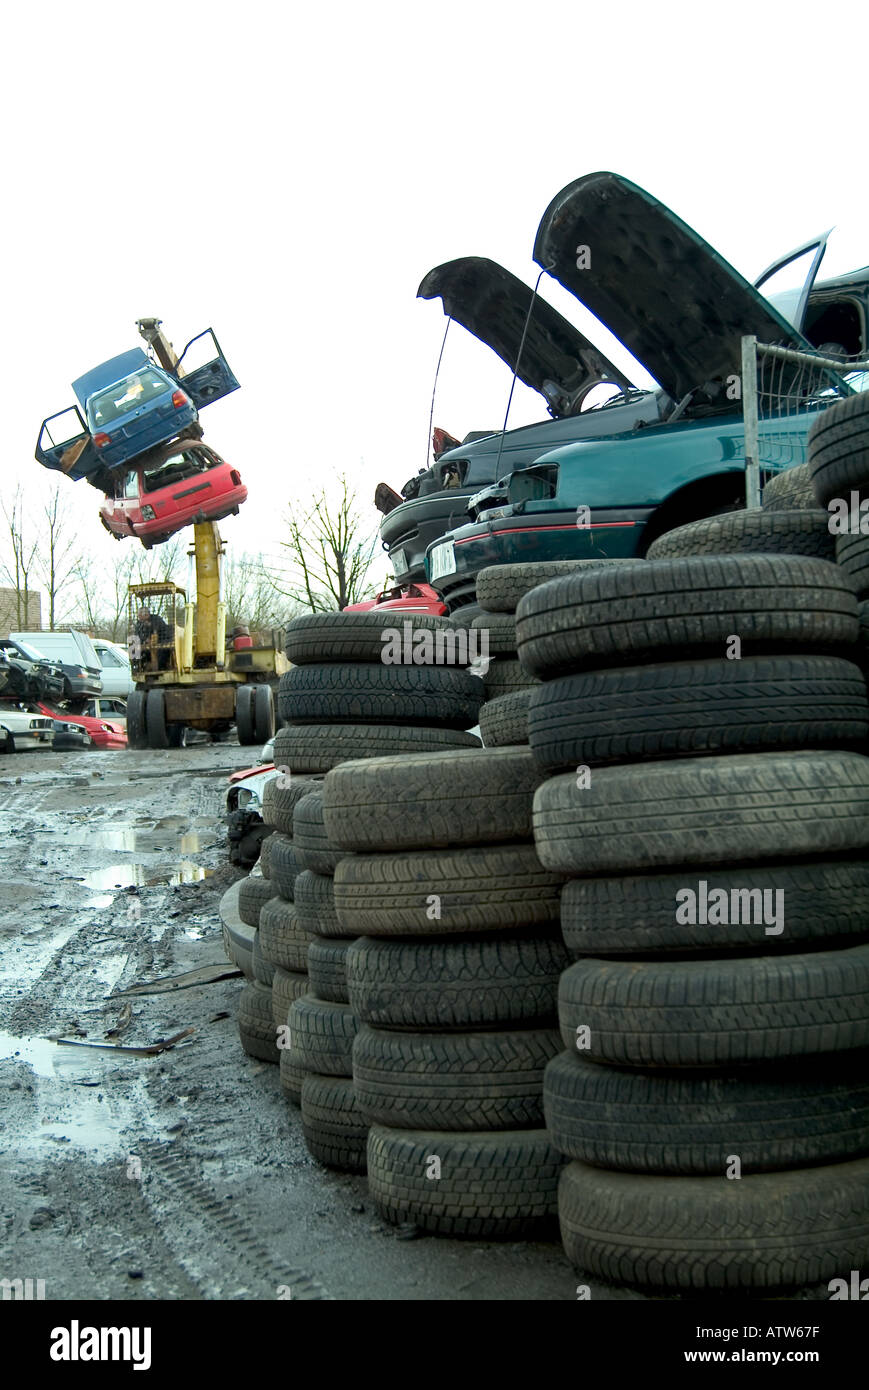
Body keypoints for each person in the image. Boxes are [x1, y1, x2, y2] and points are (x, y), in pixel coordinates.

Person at [135, 606, 174, 671]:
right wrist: (145, 640)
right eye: (138, 615)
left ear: (146, 614)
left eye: (140, 615)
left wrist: (152, 639)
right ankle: (142, 667)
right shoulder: (139, 624)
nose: (139, 617)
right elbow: (138, 635)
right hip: (148, 646)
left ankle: (159, 667)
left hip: (162, 642)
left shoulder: (156, 619)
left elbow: (158, 633)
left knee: (161, 651)